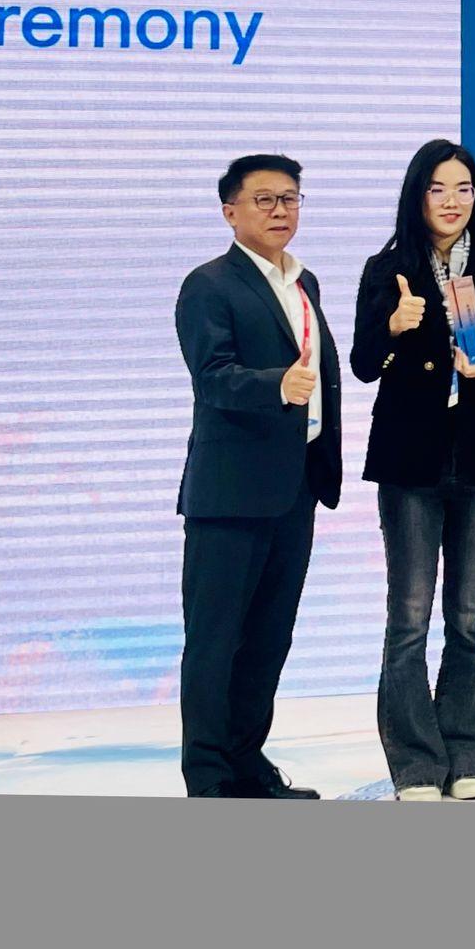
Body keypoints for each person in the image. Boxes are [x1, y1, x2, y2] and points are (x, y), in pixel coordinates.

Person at [351, 140, 475, 801]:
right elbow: (361, 364)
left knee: (470, 616)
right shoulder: (387, 269)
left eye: (464, 189)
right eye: (438, 189)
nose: (452, 201)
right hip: (410, 461)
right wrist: (393, 326)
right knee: (409, 616)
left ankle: (466, 754)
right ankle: (416, 764)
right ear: (416, 197)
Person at [173, 154, 340, 799]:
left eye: (290, 199)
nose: (280, 211)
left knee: (269, 639)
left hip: (295, 487)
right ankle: (209, 778)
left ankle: (247, 764)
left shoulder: (304, 281)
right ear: (230, 211)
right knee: (215, 642)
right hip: (231, 494)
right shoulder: (209, 285)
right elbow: (212, 377)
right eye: (264, 199)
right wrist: (277, 385)